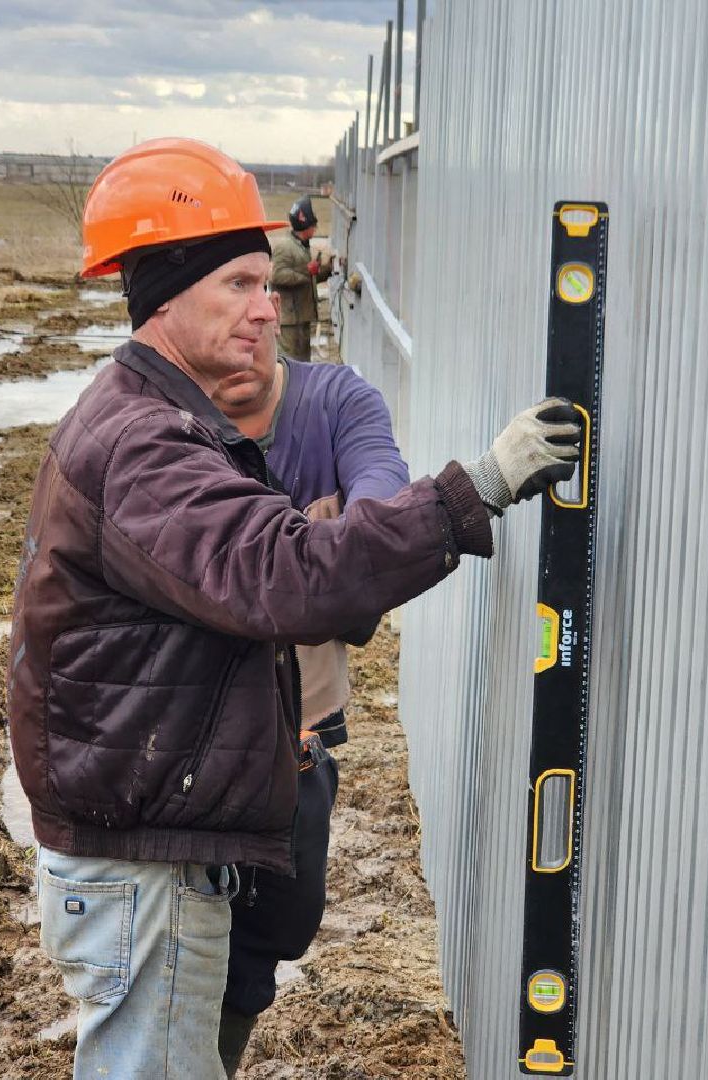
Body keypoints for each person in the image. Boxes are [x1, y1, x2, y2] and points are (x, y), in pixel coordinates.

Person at [7, 136, 582, 1080]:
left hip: (152, 829)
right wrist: (477, 486)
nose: (266, 306)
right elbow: (286, 577)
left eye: (266, 284)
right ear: (167, 294)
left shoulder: (159, 418)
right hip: (144, 861)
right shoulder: (147, 446)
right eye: (237, 283)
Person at [210, 296, 409, 1074]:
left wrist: (343, 548)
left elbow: (383, 504)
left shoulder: (336, 402)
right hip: (191, 737)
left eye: (251, 324)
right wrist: (315, 541)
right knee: (178, 943)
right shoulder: (167, 424)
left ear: (270, 325)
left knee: (271, 933)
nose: (235, 355)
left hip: (296, 737)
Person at [269, 194, 332, 361]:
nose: (315, 229)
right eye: (313, 226)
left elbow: (308, 278)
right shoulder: (285, 247)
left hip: (302, 318)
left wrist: (327, 269)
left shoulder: (302, 247)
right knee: (288, 362)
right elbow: (276, 275)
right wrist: (306, 271)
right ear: (306, 226)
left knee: (302, 363)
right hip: (289, 322)